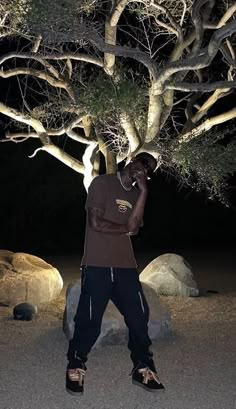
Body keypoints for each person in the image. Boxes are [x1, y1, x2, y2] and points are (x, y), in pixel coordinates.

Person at [66, 152, 165, 395]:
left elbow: (136, 228)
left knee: (139, 315)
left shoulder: (136, 194)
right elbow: (96, 223)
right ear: (131, 160)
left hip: (125, 266)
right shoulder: (102, 184)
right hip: (97, 263)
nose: (143, 169)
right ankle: (76, 364)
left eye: (149, 170)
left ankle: (143, 366)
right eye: (142, 162)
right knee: (89, 317)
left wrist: (143, 192)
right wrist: (125, 229)